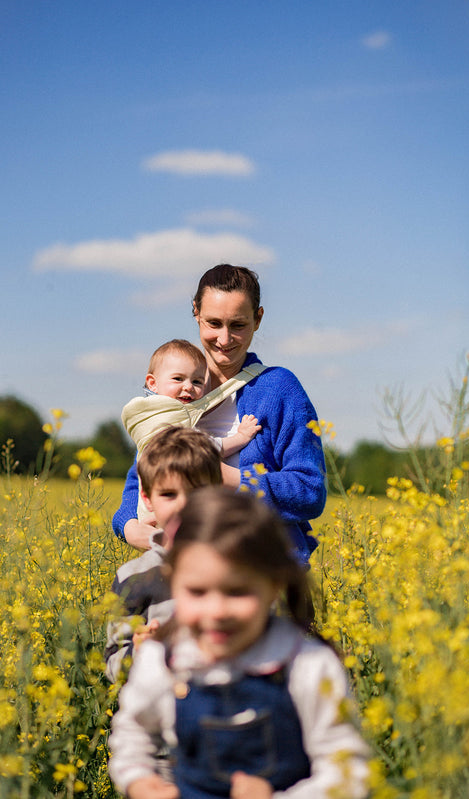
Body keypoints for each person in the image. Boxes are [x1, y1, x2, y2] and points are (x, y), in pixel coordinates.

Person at [108, 487, 370, 799]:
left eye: (237, 592)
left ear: (273, 586)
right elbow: (132, 733)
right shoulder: (163, 658)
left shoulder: (308, 664)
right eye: (197, 592)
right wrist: (138, 780)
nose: (216, 612)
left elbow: (348, 769)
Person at [113, 264, 327, 565]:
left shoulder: (279, 389)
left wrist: (227, 478)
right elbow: (142, 475)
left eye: (237, 325)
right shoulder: (175, 386)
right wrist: (128, 526)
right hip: (183, 576)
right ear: (195, 313)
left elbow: (310, 490)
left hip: (260, 572)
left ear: (258, 319)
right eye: (213, 323)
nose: (224, 339)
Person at [104, 426, 223, 683]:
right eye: (169, 494)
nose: (183, 505)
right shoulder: (133, 576)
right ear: (147, 499)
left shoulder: (235, 569)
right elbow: (114, 665)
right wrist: (139, 650)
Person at [122, 338, 262, 522]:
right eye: (178, 379)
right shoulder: (164, 415)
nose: (188, 386)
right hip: (164, 510)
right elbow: (203, 449)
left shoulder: (147, 412)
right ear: (152, 383)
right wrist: (241, 437)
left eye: (197, 381)